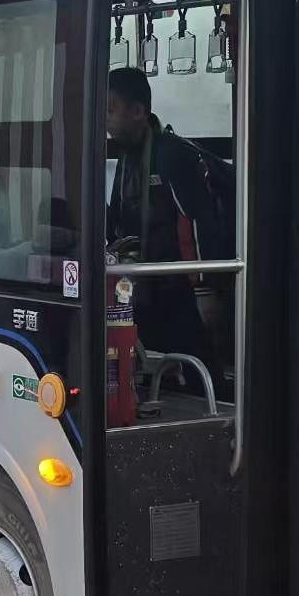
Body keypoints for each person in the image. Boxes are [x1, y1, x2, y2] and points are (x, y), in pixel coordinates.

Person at [105, 67, 235, 386]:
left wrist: (204, 290)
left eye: (111, 110)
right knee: (156, 369)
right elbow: (118, 221)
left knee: (197, 369)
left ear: (138, 112)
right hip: (144, 285)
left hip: (182, 290)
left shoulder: (172, 155)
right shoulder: (127, 158)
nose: (105, 120)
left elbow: (197, 222)